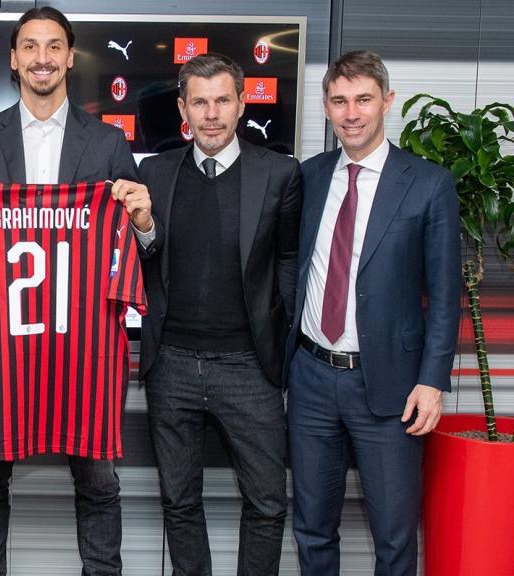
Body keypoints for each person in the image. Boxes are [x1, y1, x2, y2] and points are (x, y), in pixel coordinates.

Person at [0, 7, 156, 575]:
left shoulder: (106, 141)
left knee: (99, 479)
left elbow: (141, 245)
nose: (42, 57)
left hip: (84, 348)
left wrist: (145, 223)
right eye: (30, 46)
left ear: (71, 56)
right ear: (13, 59)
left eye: (54, 46)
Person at [286, 50, 460, 576]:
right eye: (339, 101)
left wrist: (432, 382)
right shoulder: (310, 176)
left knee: (394, 536)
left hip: (391, 388)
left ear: (387, 101)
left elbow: (446, 295)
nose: (352, 113)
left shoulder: (428, 183)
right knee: (312, 528)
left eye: (363, 99)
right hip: (311, 378)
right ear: (326, 107)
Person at [136, 53, 301, 575]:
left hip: (249, 366)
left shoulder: (279, 173)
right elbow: (140, 256)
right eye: (200, 102)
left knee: (268, 502)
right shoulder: (155, 173)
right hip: (172, 365)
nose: (212, 114)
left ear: (241, 103)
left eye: (223, 100)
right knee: (179, 503)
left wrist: (286, 347)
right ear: (183, 108)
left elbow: (290, 262)